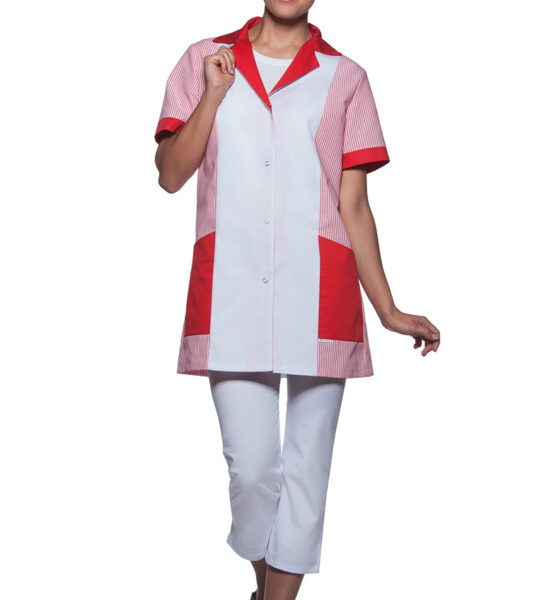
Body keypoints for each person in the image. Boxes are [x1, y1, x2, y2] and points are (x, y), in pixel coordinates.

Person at [154, 2, 440, 599]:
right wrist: (213, 95)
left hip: (321, 294)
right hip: (229, 293)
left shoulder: (346, 77)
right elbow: (170, 174)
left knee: (308, 474)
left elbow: (353, 204)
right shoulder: (204, 59)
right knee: (252, 472)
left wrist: (388, 311)